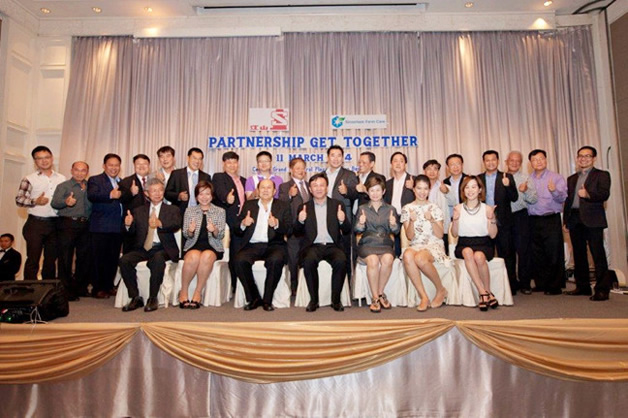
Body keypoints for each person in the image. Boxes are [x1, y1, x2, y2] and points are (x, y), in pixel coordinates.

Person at [119, 178, 181, 312]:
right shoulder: (138, 210)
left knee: (157, 259)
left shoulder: (172, 209)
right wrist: (128, 225)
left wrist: (160, 224)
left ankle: (153, 298)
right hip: (143, 248)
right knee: (124, 260)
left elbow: (176, 224)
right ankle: (135, 297)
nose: (157, 193)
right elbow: (132, 232)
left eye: (160, 190)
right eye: (154, 191)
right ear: (147, 193)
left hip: (163, 248)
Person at [293, 173, 350, 312]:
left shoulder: (337, 205)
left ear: (327, 187)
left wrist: (342, 220)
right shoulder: (304, 207)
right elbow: (296, 232)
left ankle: (336, 300)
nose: (318, 188)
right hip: (313, 246)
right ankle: (314, 300)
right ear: (310, 189)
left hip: (332, 246)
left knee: (341, 260)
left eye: (321, 185)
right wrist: (300, 220)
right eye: (315, 186)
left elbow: (347, 230)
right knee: (308, 260)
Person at [234, 179, 292, 311]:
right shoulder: (249, 205)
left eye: (269, 188)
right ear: (258, 191)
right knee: (239, 260)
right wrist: (243, 223)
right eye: (262, 188)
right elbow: (236, 229)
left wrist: (277, 224)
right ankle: (253, 297)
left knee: (275, 260)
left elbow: (289, 229)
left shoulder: (283, 205)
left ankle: (267, 300)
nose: (265, 190)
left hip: (274, 245)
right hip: (252, 245)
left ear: (274, 191)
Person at [563, 146, 611, 301]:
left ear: (594, 158)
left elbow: (604, 194)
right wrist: (566, 221)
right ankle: (582, 287)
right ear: (577, 158)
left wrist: (588, 194)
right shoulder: (572, 178)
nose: (583, 159)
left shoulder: (602, 175)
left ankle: (602, 290)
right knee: (578, 254)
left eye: (587, 156)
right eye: (581, 156)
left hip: (593, 219)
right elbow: (568, 201)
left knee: (598, 254)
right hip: (575, 219)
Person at [15, 145, 66, 281]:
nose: (44, 161)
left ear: (52, 158)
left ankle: (48, 289)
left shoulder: (61, 178)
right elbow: (19, 200)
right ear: (35, 161)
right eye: (39, 158)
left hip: (56, 224)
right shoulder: (29, 178)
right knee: (33, 259)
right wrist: (35, 201)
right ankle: (29, 288)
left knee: (51, 260)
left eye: (47, 157)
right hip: (36, 223)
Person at [401, 175, 449, 312]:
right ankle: (424, 296)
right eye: (419, 188)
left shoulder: (435, 207)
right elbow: (410, 236)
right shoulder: (407, 208)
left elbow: (440, 235)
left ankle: (441, 289)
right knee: (407, 255)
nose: (422, 192)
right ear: (414, 189)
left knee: (420, 258)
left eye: (425, 189)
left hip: (434, 244)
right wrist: (412, 221)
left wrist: (432, 220)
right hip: (416, 244)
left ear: (429, 190)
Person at [450, 176, 499, 311]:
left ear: (480, 190)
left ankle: (487, 291)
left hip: (484, 243)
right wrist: (455, 220)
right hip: (464, 243)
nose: (470, 190)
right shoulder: (458, 208)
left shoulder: (487, 208)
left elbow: (493, 235)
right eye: (467, 187)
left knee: (479, 256)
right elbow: (454, 234)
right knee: (467, 252)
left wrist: (492, 218)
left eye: (473, 187)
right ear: (463, 190)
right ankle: (482, 291)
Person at [354, 176, 400, 313]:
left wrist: (393, 224)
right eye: (372, 190)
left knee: (388, 259)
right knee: (373, 260)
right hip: (367, 243)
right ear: (367, 192)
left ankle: (380, 293)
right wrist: (361, 223)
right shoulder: (362, 208)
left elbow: (396, 231)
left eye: (378, 190)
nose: (375, 194)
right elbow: (357, 230)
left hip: (385, 243)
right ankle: (375, 297)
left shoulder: (391, 209)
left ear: (383, 191)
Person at [179, 181, 226, 309]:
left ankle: (197, 292)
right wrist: (190, 230)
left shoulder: (220, 211)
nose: (204, 197)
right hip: (193, 245)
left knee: (206, 256)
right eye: (201, 194)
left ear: (212, 196)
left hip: (213, 246)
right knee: (194, 256)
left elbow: (220, 235)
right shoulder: (190, 211)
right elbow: (186, 235)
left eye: (207, 194)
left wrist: (214, 229)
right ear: (196, 196)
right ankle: (183, 292)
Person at [527, 149, 568, 295]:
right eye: (534, 159)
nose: (538, 162)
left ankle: (555, 285)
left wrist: (554, 190)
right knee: (537, 253)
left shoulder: (556, 177)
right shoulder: (528, 179)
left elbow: (563, 198)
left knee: (553, 252)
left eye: (541, 158)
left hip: (550, 218)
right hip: (532, 219)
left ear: (546, 160)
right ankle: (541, 283)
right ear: (530, 163)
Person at [478, 150, 518, 294]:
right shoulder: (478, 178)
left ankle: (511, 286)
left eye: (493, 159)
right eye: (487, 160)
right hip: (483, 222)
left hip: (503, 222)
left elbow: (514, 198)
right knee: (485, 255)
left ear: (498, 161)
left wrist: (508, 186)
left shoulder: (506, 177)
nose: (490, 162)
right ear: (484, 162)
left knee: (507, 254)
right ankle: (489, 287)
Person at [51, 161, 92, 300]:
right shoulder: (64, 186)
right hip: (67, 224)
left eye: (83, 170)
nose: (80, 173)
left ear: (87, 172)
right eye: (77, 170)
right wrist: (65, 202)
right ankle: (65, 290)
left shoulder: (90, 186)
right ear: (71, 170)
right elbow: (54, 203)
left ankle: (80, 288)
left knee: (84, 257)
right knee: (65, 258)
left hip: (85, 224)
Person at [87, 153, 124, 299]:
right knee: (98, 259)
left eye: (116, 165)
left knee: (113, 258)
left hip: (117, 227)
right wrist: (110, 195)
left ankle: (109, 286)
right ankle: (97, 288)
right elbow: (92, 195)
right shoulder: (95, 180)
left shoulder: (122, 182)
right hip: (100, 226)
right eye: (110, 165)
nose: (114, 168)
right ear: (104, 166)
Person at [212, 151, 247, 291]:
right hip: (228, 221)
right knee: (232, 253)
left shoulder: (244, 180)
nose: (232, 165)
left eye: (234, 162)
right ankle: (234, 284)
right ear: (223, 164)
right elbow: (219, 192)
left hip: (242, 222)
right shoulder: (219, 177)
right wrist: (227, 198)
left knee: (240, 252)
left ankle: (241, 283)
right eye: (229, 162)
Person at [505, 151, 538, 295]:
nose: (514, 163)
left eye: (517, 161)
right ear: (506, 161)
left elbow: (534, 199)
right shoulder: (501, 177)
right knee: (507, 252)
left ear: (521, 163)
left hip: (520, 216)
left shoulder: (526, 178)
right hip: (504, 218)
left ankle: (525, 283)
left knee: (523, 251)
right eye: (511, 160)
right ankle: (511, 284)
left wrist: (525, 191)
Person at [325, 145, 358, 280]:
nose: (336, 158)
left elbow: (356, 193)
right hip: (324, 218)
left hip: (344, 218)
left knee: (345, 252)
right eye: (333, 155)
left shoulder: (349, 175)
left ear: (343, 158)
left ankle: (348, 284)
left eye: (339, 155)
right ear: (328, 158)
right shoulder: (322, 175)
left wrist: (347, 191)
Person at [278, 157, 309, 293]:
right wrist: (289, 195)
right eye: (297, 168)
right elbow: (280, 205)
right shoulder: (285, 186)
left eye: (303, 168)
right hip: (293, 229)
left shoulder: (310, 185)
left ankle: (307, 286)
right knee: (293, 258)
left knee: (307, 257)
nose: (301, 171)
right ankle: (294, 286)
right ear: (291, 170)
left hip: (309, 229)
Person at [165, 147, 212, 219]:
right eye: (194, 158)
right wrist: (179, 196)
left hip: (200, 214)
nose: (197, 161)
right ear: (188, 158)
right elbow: (167, 193)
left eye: (200, 159)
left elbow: (211, 196)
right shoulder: (176, 174)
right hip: (180, 214)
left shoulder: (206, 177)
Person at [384, 151, 415, 257]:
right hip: (393, 219)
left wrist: (414, 188)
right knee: (395, 250)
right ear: (391, 164)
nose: (398, 163)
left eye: (401, 161)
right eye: (395, 161)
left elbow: (424, 197)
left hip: (409, 219)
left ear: (405, 164)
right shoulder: (387, 183)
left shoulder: (413, 180)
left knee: (409, 251)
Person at [119, 154, 151, 253]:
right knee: (130, 255)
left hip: (151, 224)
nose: (141, 166)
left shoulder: (154, 181)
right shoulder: (126, 181)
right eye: (138, 164)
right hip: (133, 225)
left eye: (144, 164)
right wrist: (131, 193)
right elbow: (121, 199)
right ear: (134, 165)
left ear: (149, 165)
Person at [423, 159, 451, 254]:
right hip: (425, 228)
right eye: (429, 169)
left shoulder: (445, 187)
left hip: (441, 227)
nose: (432, 172)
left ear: (438, 172)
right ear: (424, 171)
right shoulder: (419, 188)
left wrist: (446, 192)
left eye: (435, 169)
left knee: (442, 255)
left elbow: (454, 202)